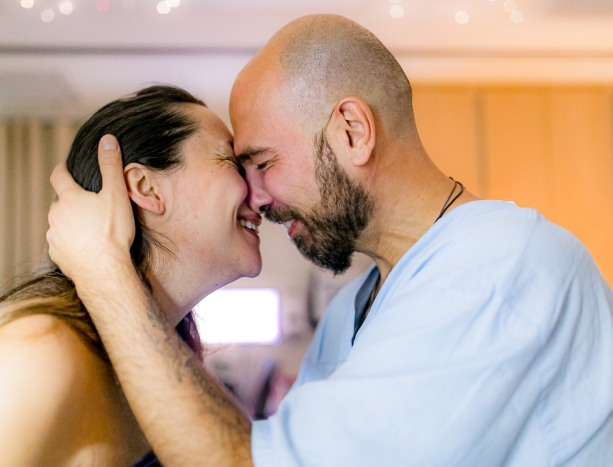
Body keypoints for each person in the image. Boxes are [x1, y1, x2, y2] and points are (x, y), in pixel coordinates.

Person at [46, 14, 613, 467]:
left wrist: (106, 275)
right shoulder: (352, 310)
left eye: (263, 162)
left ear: (352, 131)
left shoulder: (500, 267)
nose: (257, 197)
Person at [0, 85, 262, 467]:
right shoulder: (35, 352)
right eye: (230, 162)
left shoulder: (171, 355)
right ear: (146, 187)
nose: (258, 192)